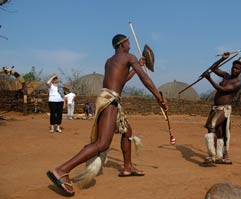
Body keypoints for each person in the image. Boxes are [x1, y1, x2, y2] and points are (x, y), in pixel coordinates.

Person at [47, 34, 168, 196]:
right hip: (110, 100)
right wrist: (159, 98)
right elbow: (144, 77)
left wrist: (136, 65)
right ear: (122, 44)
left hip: (109, 98)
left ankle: (127, 167)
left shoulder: (111, 61)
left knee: (127, 131)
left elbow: (122, 80)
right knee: (102, 144)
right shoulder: (128, 57)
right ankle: (62, 170)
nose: (130, 45)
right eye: (128, 43)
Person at [202, 52, 241, 165]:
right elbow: (214, 68)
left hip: (224, 109)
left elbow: (222, 90)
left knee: (212, 126)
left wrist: (209, 79)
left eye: (237, 69)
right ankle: (220, 156)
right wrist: (222, 59)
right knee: (219, 131)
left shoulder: (237, 83)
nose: (234, 69)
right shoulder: (226, 76)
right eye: (233, 67)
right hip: (215, 108)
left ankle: (212, 155)